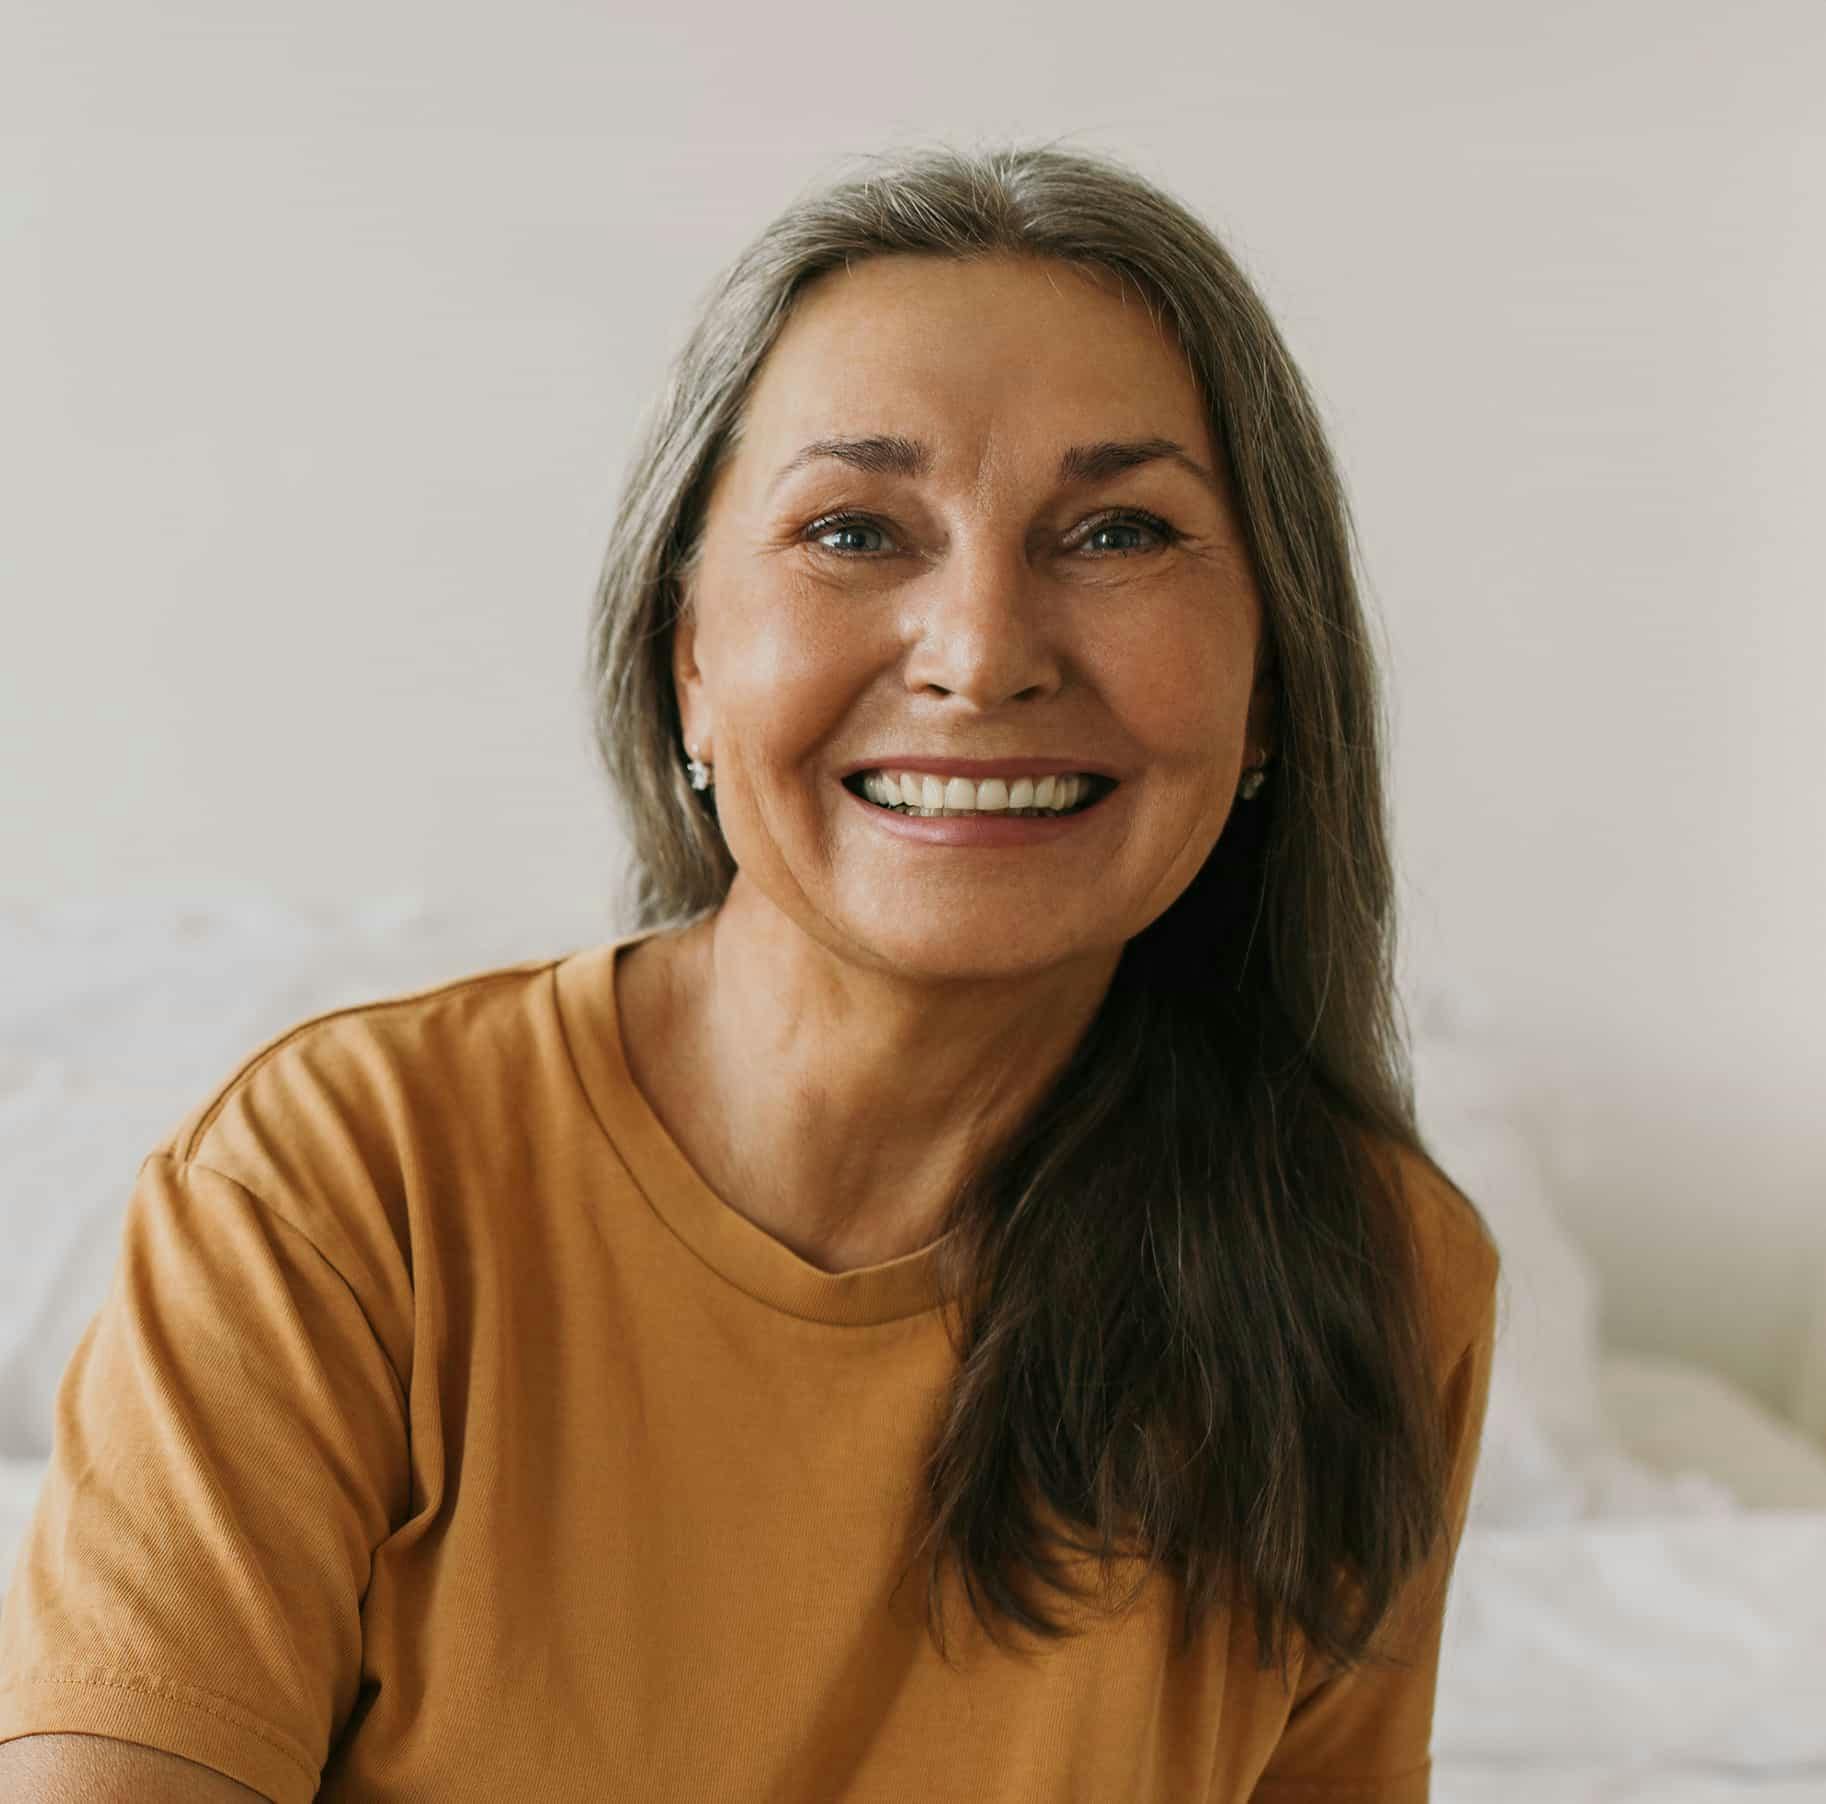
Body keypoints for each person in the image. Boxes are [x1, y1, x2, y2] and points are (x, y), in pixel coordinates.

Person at [0, 139, 1500, 1802]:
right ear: (689, 659)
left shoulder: (1374, 1266)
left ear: (1274, 684)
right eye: (856, 530)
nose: (982, 650)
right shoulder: (343, 1183)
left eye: (1117, 533)